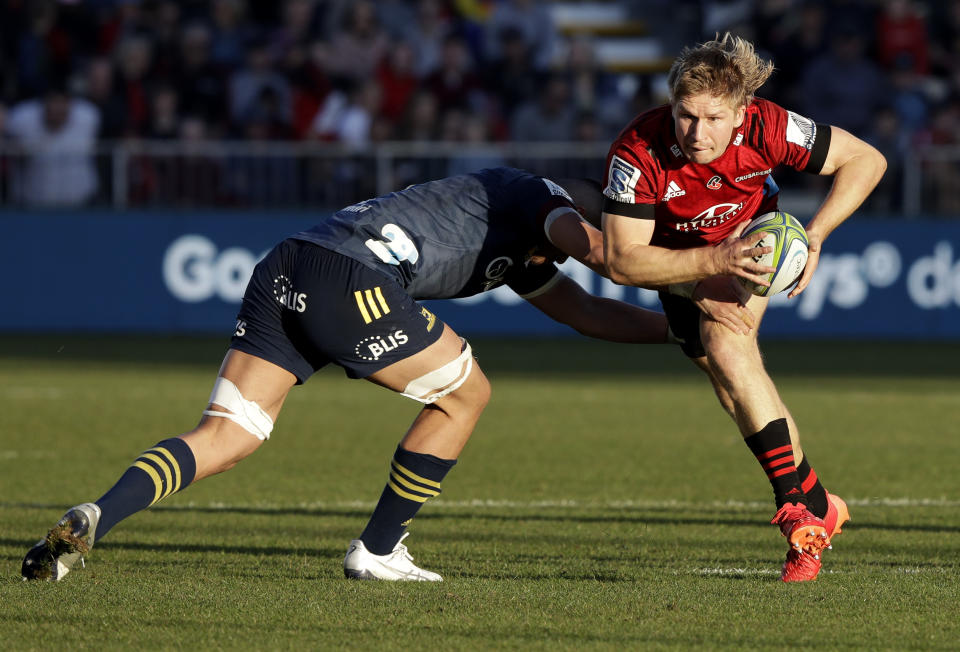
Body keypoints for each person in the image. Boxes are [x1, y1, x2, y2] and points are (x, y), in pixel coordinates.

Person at [21, 166, 774, 583]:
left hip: (290, 262)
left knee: (230, 433)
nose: (600, 235)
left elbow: (586, 314)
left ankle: (93, 516)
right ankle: (379, 549)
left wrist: (680, 338)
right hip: (355, 278)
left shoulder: (529, 249)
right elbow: (612, 258)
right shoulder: (547, 204)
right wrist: (703, 278)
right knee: (467, 394)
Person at [599, 34, 887, 582]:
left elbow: (866, 160)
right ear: (671, 106)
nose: (697, 133)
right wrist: (710, 264)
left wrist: (817, 234)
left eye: (713, 118)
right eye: (686, 116)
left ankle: (798, 515)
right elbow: (622, 262)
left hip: (750, 240)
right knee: (734, 389)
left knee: (727, 344)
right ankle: (821, 502)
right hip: (676, 260)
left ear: (740, 114)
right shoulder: (637, 150)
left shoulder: (769, 126)